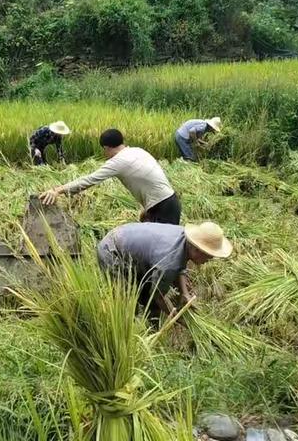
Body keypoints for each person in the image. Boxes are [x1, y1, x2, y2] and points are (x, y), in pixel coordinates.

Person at [40, 128, 181, 225]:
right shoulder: (137, 150)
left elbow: (89, 180)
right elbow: (151, 178)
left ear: (106, 148)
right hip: (170, 201)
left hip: (162, 207)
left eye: (104, 150)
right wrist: (147, 207)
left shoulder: (118, 161)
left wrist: (58, 190)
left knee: (164, 251)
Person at [97, 221, 233, 315]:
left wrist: (184, 293)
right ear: (197, 249)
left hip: (126, 236)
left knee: (141, 293)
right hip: (113, 250)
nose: (209, 260)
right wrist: (173, 315)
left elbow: (180, 263)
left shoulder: (185, 239)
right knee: (125, 302)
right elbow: (157, 295)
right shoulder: (168, 262)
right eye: (208, 256)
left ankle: (149, 316)